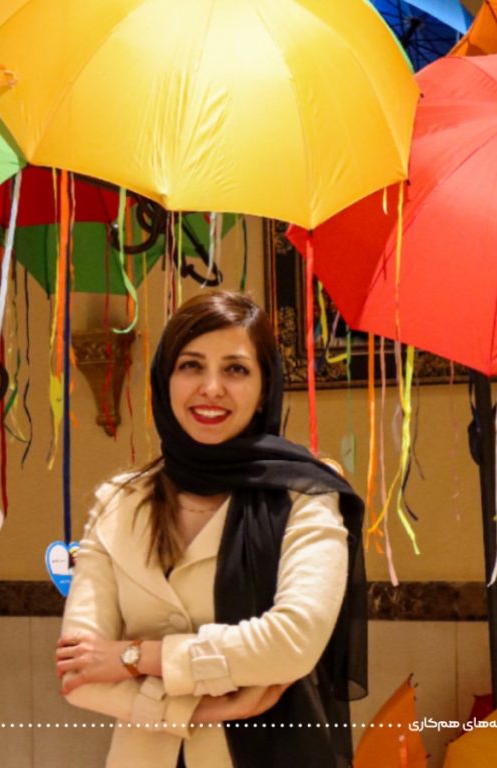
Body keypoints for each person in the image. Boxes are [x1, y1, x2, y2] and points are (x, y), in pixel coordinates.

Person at [56, 291, 366, 767]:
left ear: (264, 388)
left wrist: (135, 657)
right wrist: (209, 708)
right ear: (165, 380)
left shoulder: (305, 495)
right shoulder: (119, 501)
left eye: (236, 369)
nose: (212, 387)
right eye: (191, 366)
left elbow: (292, 643)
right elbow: (80, 673)